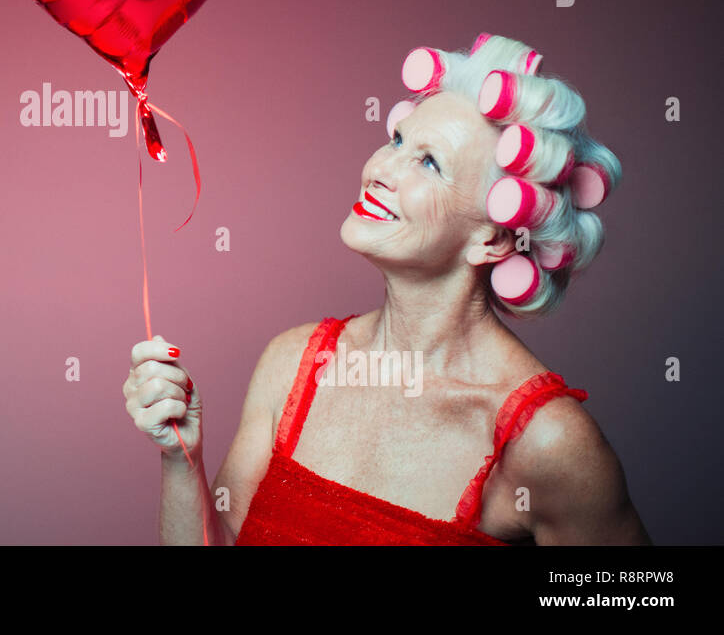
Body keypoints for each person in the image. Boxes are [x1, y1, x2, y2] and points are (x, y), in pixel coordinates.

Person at [124, 33, 651, 545]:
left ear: (492, 237)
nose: (380, 169)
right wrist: (182, 458)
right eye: (398, 141)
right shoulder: (291, 366)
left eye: (429, 163)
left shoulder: (546, 443)